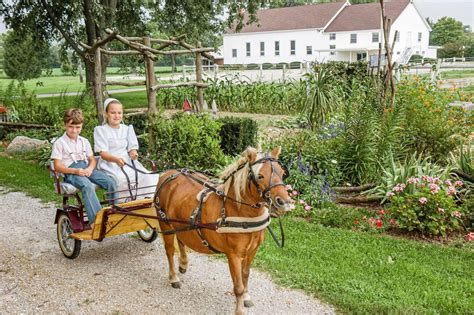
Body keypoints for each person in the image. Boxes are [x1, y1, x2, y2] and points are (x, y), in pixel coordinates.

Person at [51, 108, 118, 226]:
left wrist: (89, 169)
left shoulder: (84, 141)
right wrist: (76, 171)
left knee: (110, 182)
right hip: (71, 171)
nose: (74, 130)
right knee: (87, 186)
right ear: (65, 125)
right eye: (71, 127)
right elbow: (57, 166)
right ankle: (97, 221)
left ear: (81, 126)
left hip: (86, 168)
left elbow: (92, 160)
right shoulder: (59, 143)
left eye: (78, 127)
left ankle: (115, 214)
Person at [94, 98, 158, 202]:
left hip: (128, 162)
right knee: (120, 179)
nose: (116, 116)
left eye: (119, 113)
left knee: (146, 176)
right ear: (106, 114)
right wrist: (116, 160)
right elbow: (103, 154)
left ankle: (143, 202)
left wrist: (133, 153)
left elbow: (131, 148)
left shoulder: (127, 129)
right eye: (113, 113)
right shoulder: (101, 130)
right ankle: (122, 204)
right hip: (110, 164)